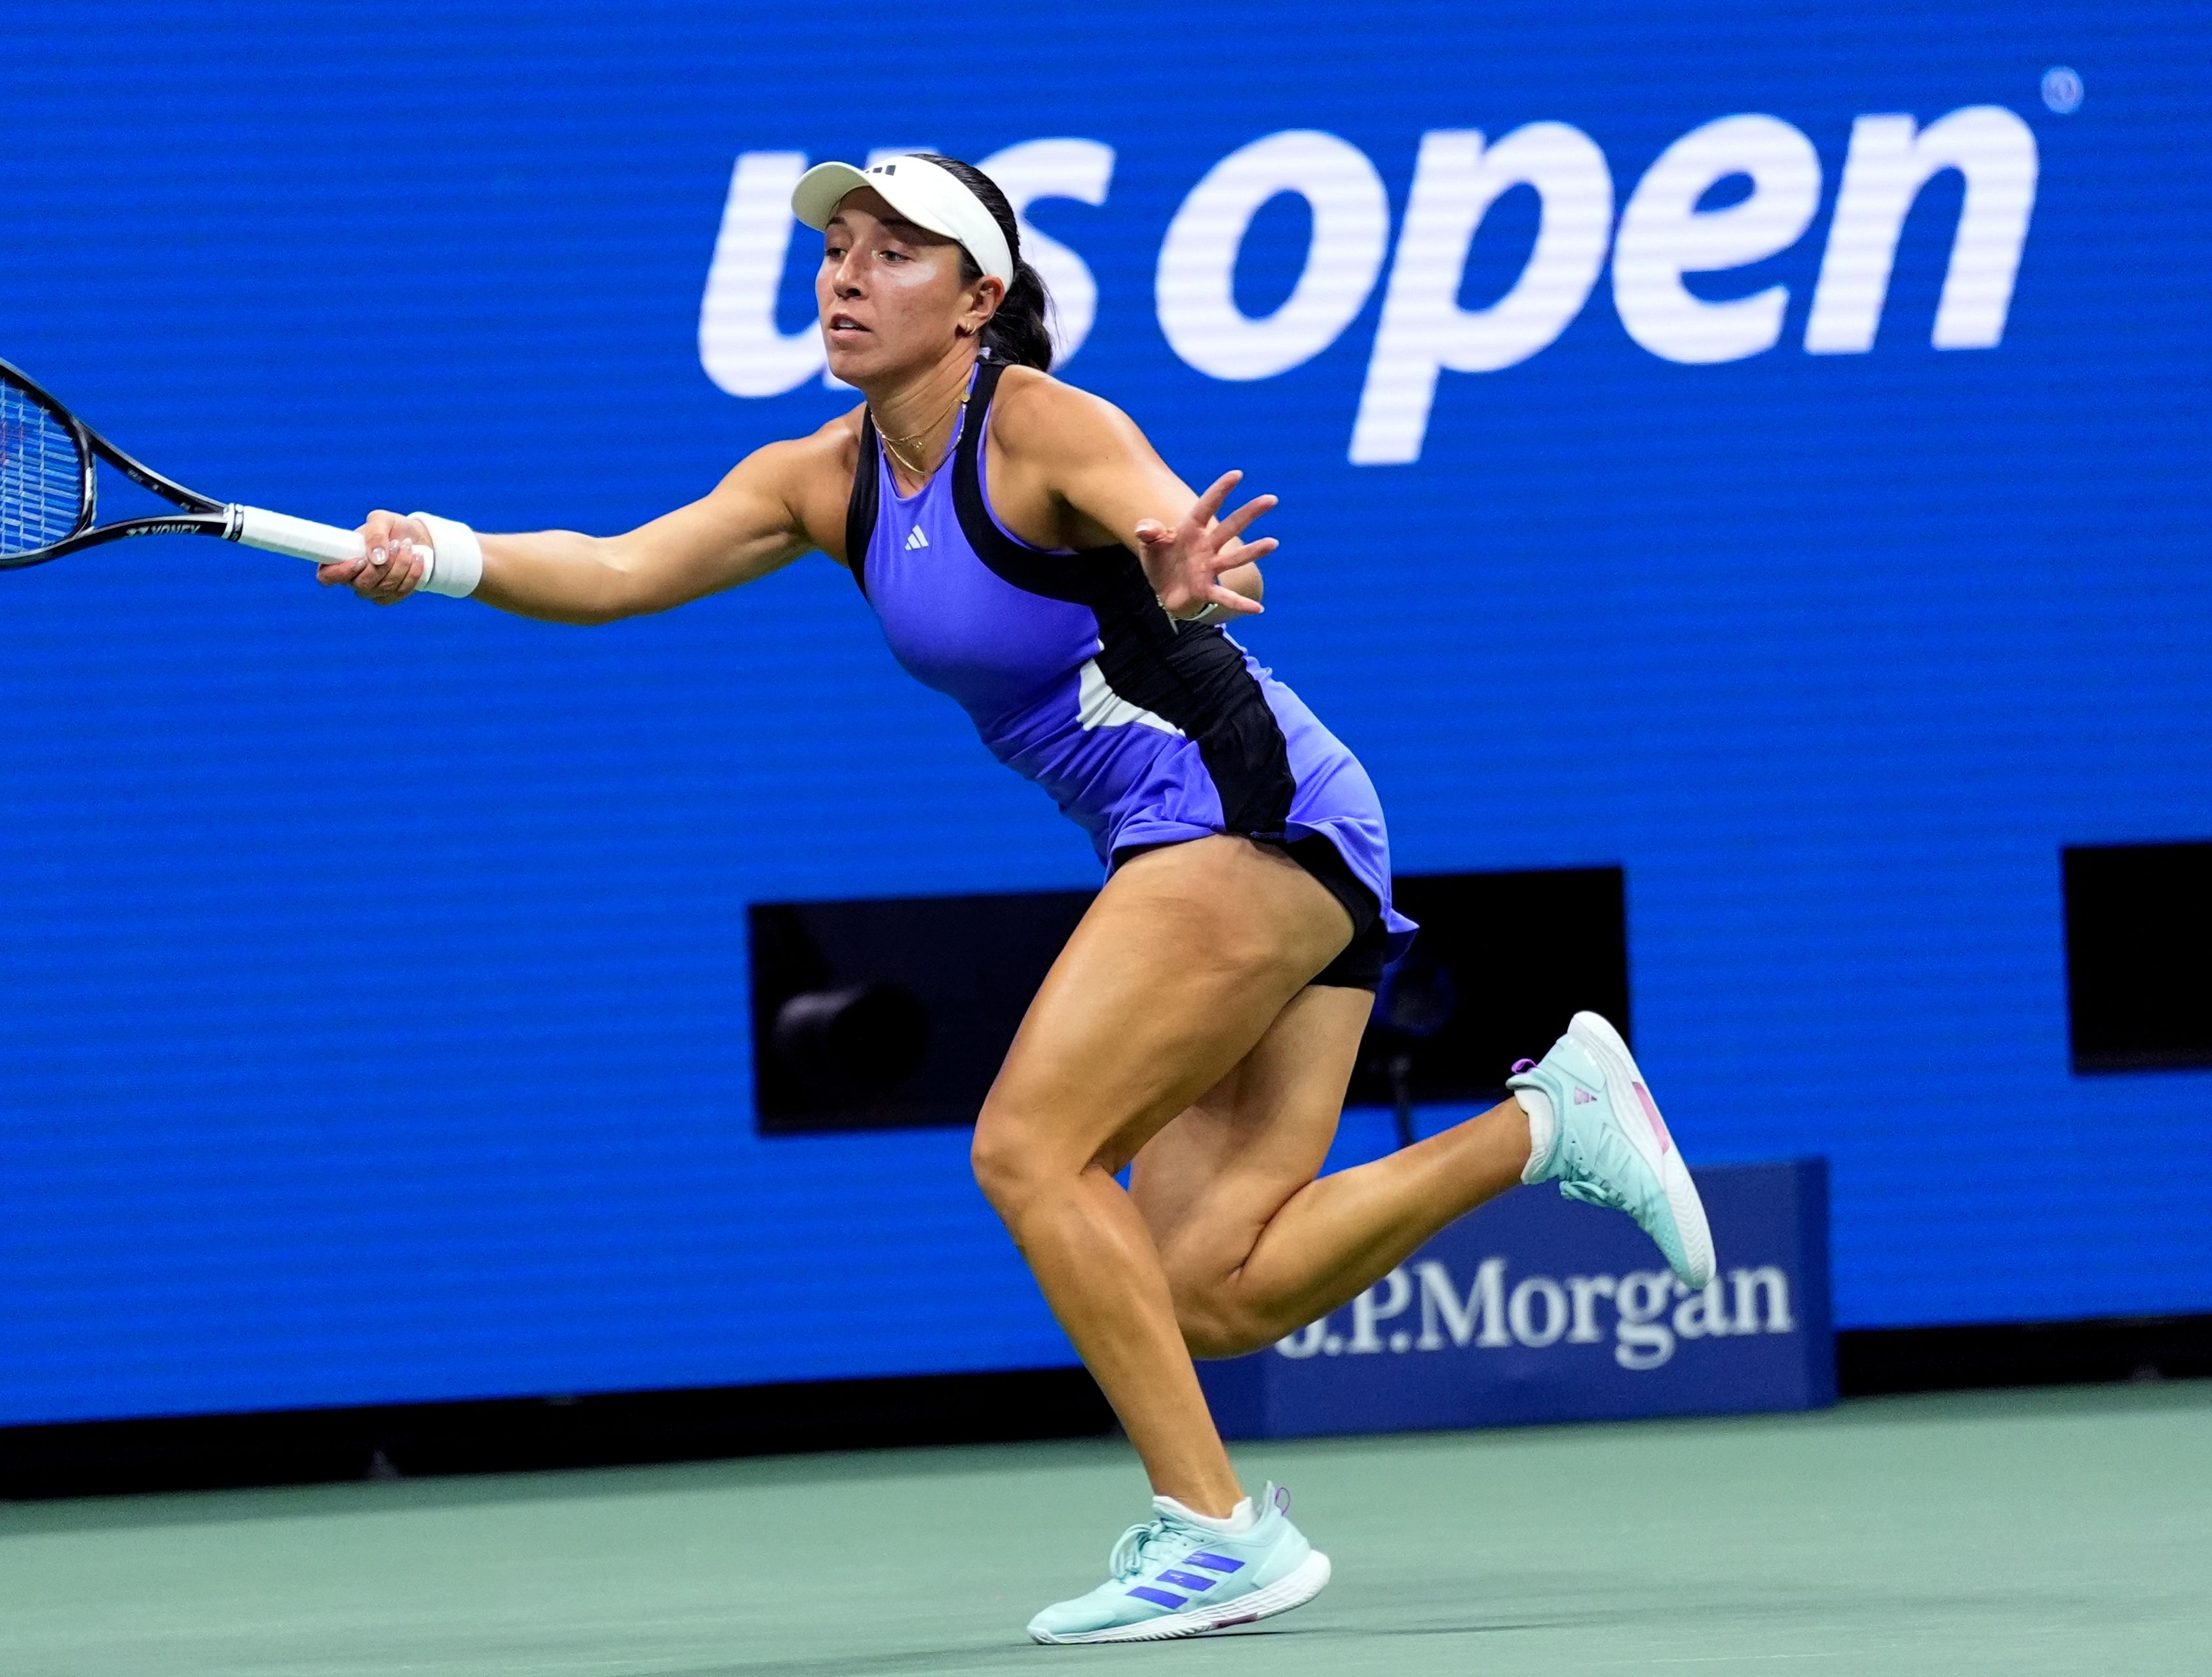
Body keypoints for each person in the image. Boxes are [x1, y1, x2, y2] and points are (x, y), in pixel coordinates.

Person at [318, 153, 1714, 1646]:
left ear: (980, 299)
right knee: (1210, 1289)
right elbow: (610, 569)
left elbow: (1159, 511)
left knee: (1030, 1149)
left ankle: (1216, 1528)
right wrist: (444, 556)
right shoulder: (821, 478)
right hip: (1240, 829)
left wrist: (1178, 560)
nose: (845, 276)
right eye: (837, 250)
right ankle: (1548, 1117)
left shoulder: (1043, 425)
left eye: (892, 254)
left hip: (1245, 812)